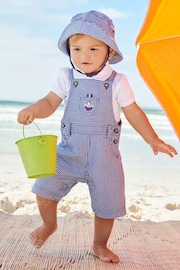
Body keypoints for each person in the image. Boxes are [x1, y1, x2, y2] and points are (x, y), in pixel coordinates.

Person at [17, 11, 177, 263]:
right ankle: (49, 225)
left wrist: (152, 139)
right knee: (44, 189)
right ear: (68, 49)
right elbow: (49, 102)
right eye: (77, 48)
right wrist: (34, 110)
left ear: (109, 52)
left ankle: (99, 244)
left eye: (93, 48)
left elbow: (134, 113)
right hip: (69, 152)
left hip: (104, 158)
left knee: (107, 204)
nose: (84, 56)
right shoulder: (65, 77)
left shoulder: (117, 81)